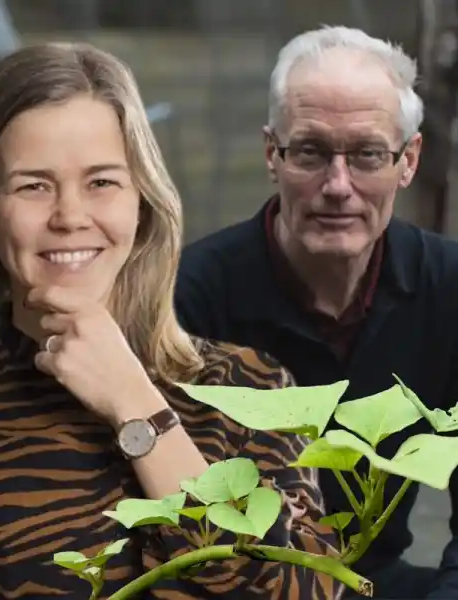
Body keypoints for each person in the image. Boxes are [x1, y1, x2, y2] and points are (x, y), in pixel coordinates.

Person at [0, 43, 341, 600]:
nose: (70, 217)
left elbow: (289, 591)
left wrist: (136, 405)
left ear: (141, 201)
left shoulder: (256, 391)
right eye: (33, 185)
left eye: (102, 182)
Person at [174, 25, 458, 599]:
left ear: (409, 161)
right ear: (271, 155)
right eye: (310, 151)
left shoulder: (449, 286)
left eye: (368, 154)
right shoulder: (189, 296)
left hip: (372, 580)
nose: (338, 185)